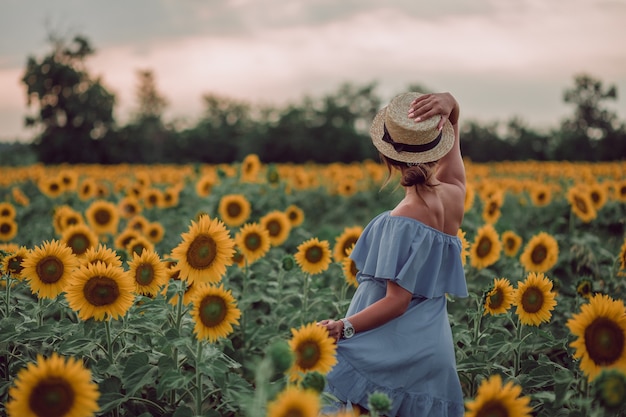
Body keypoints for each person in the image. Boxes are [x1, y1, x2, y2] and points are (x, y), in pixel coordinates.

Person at [318, 92, 468, 417]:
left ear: (388, 158)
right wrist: (451, 107)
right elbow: (454, 162)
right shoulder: (454, 193)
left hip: (390, 350)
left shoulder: (406, 216)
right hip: (431, 345)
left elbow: (397, 301)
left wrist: (342, 327)